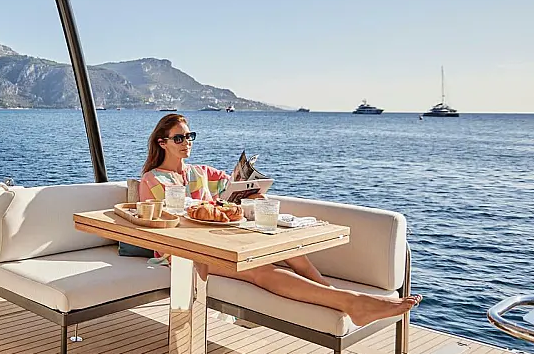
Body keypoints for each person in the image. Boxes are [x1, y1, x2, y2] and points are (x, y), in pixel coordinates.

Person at [138, 113, 421, 326]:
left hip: (220, 239)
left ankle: (329, 290)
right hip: (183, 252)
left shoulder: (202, 172)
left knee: (289, 247)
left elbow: (230, 191)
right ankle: (352, 303)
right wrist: (215, 207)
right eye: (179, 138)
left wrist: (250, 193)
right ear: (163, 143)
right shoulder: (153, 179)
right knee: (260, 270)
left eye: (189, 136)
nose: (186, 142)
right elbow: (165, 221)